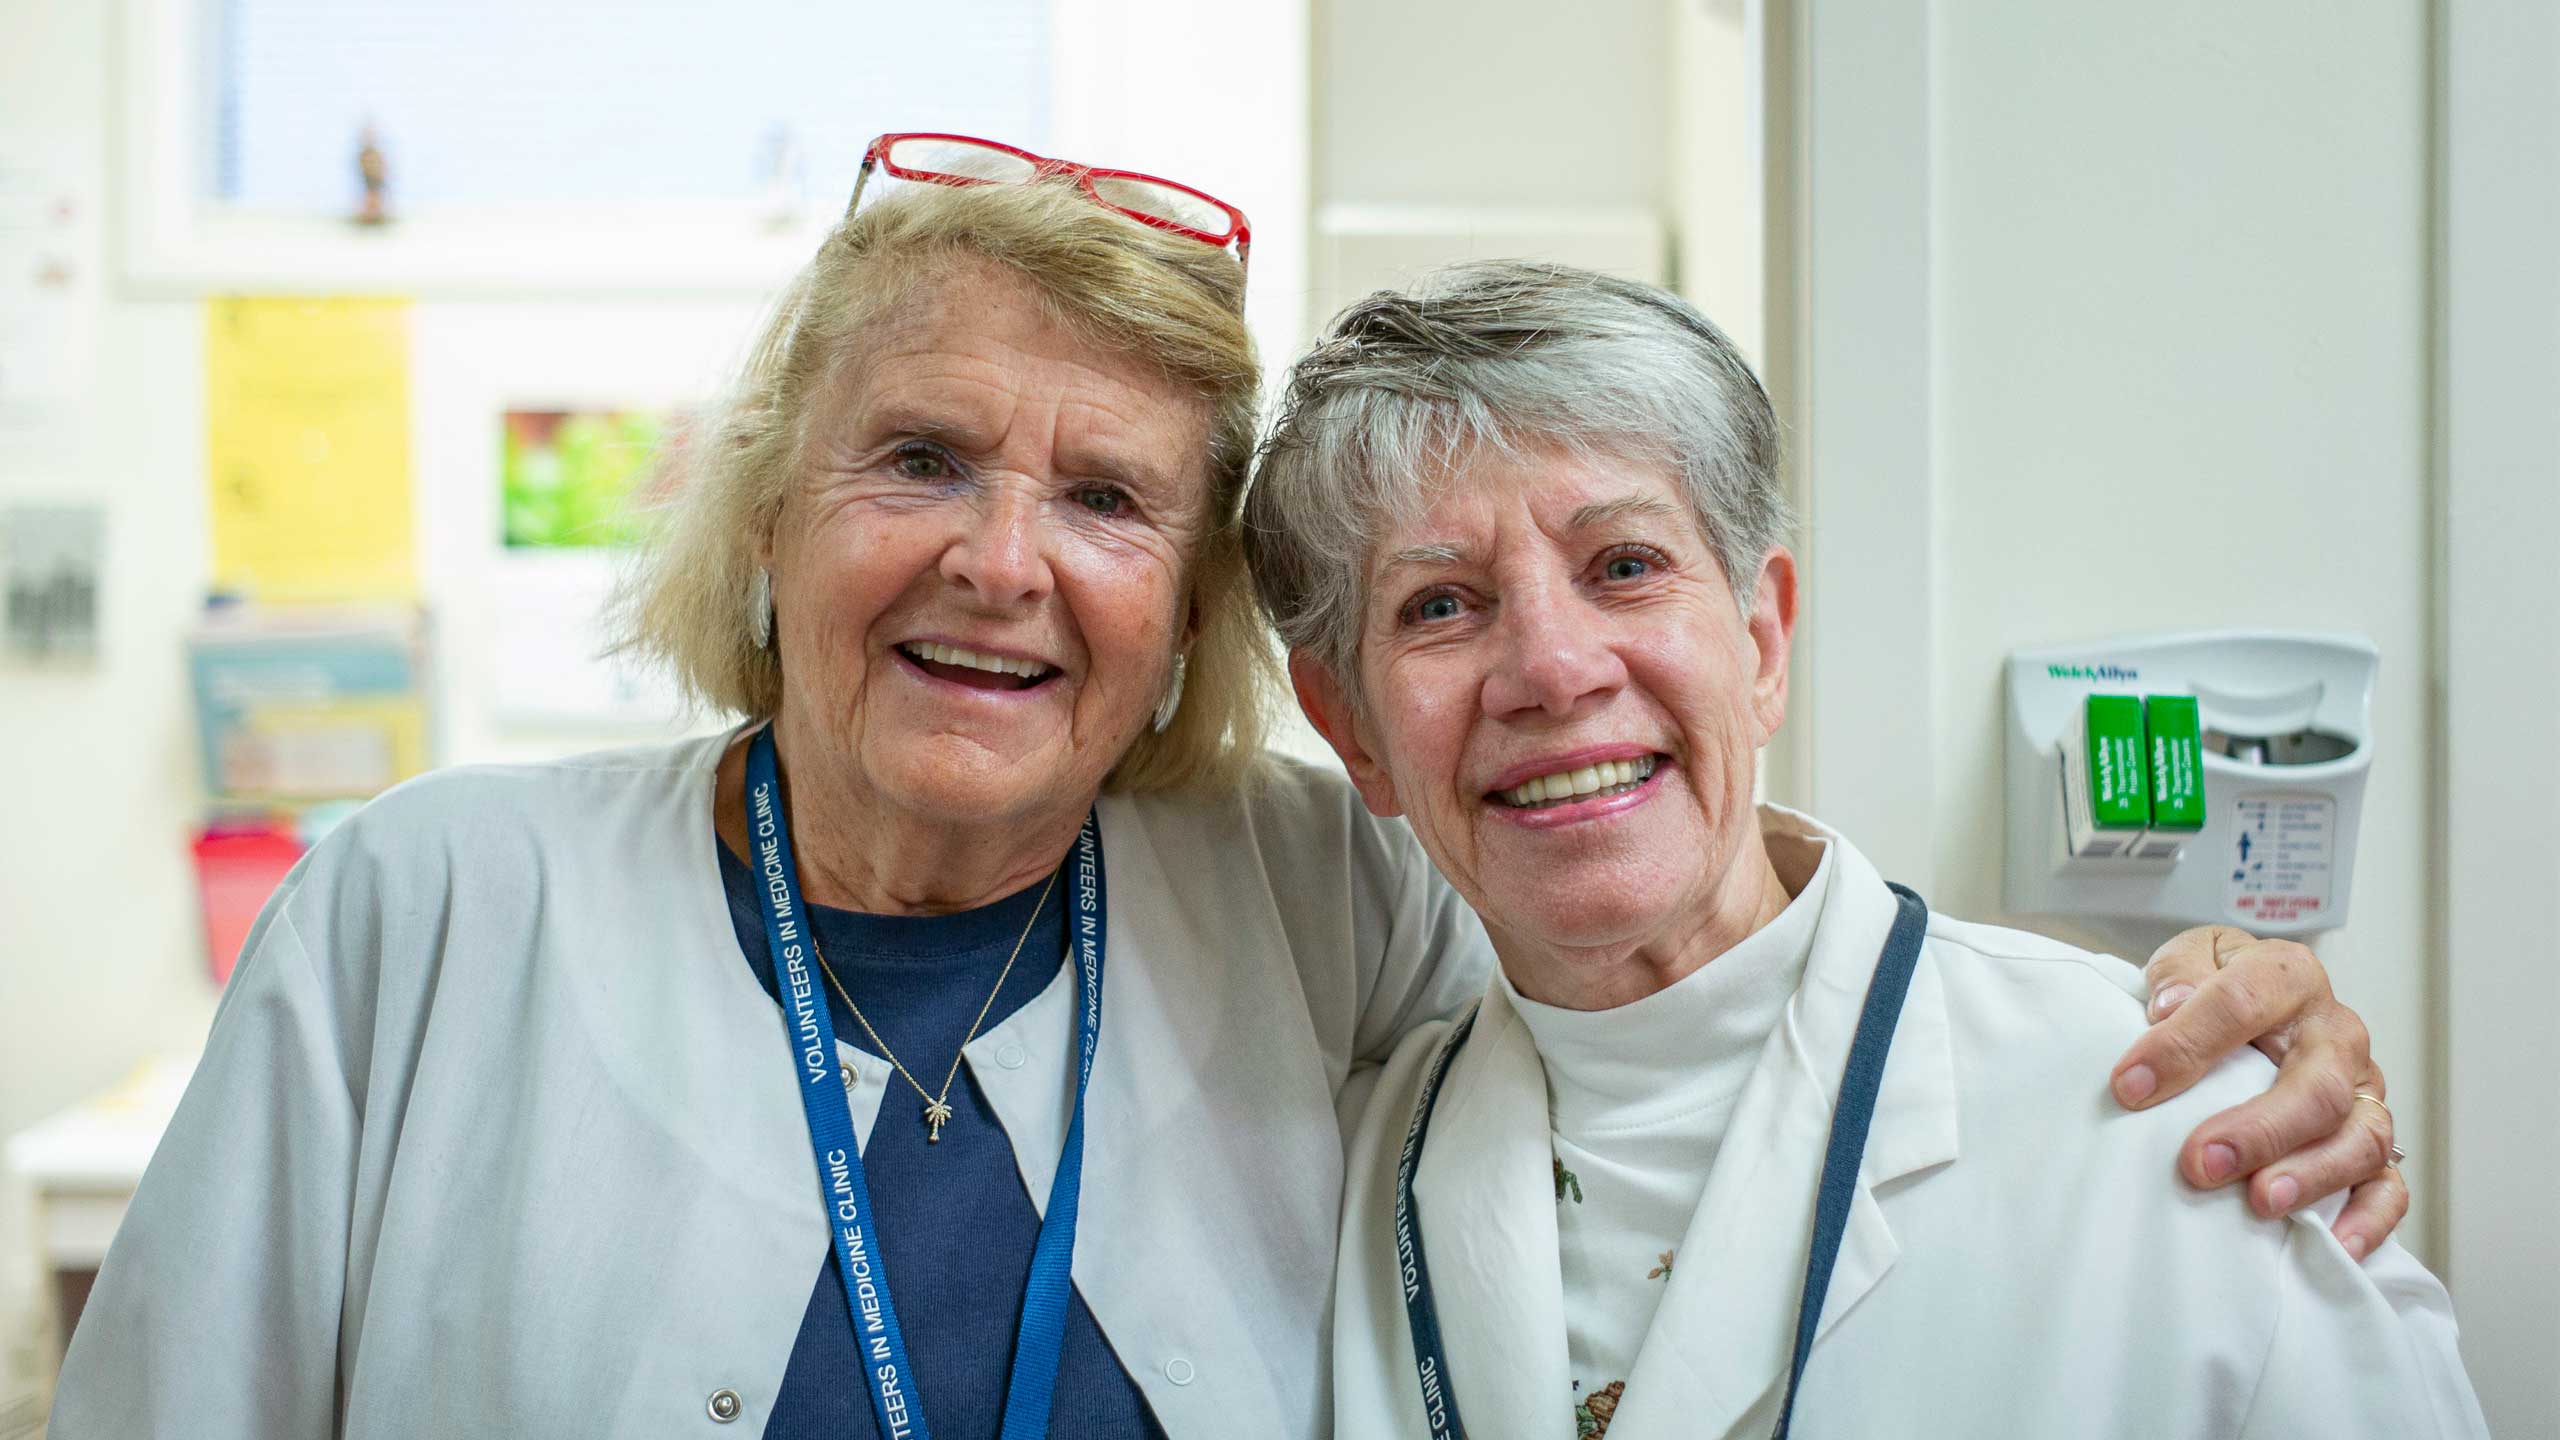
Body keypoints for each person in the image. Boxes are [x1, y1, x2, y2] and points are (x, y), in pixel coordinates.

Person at [51, 137, 2400, 1439]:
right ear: (765, 515)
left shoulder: (1302, 893)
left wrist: (2236, 998)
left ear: (1188, 625)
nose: (1001, 557)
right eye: (920, 459)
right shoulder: (421, 908)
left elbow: (1675, 932)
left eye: (1106, 498)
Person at [1251, 262, 2482, 1439]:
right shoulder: (1355, 1167)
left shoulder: (2178, 1108)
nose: (1553, 671)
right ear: (1352, 730)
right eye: (1441, 606)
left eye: (1624, 567)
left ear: (1762, 641)